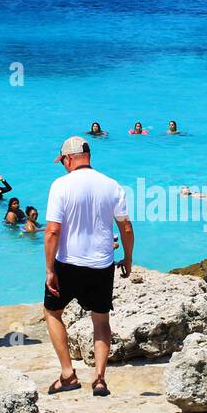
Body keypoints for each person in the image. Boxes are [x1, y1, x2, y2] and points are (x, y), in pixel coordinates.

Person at [42, 136, 134, 398]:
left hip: (68, 264)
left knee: (52, 313)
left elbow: (52, 232)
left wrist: (50, 269)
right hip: (101, 265)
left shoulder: (60, 186)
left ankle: (68, 374)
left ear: (69, 159)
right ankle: (100, 379)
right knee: (101, 320)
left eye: (62, 161)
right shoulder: (112, 185)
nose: (62, 166)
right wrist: (128, 258)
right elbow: (125, 227)